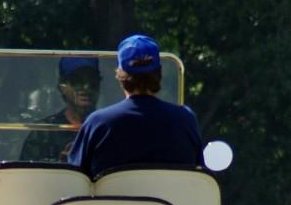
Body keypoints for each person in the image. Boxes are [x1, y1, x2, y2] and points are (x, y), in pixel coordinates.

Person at [67, 34, 203, 178]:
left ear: (120, 75)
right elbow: (198, 174)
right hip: (174, 200)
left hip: (112, 201)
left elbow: (75, 178)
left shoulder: (98, 123)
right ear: (159, 73)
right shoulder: (185, 120)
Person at [20, 57, 101, 162]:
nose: (86, 87)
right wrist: (61, 165)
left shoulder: (107, 128)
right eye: (77, 81)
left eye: (93, 82)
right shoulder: (44, 132)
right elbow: (28, 174)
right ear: (62, 87)